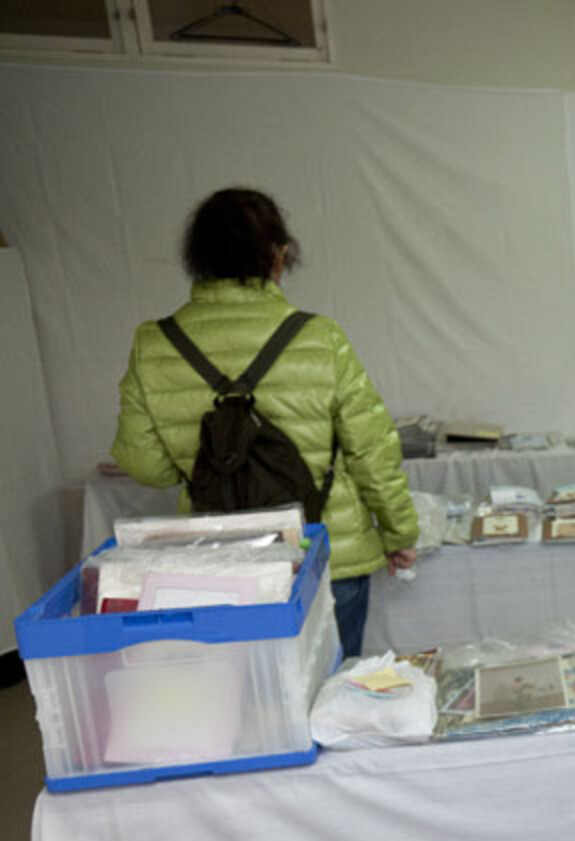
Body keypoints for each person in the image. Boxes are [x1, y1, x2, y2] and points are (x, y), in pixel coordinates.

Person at [112, 187, 419, 659]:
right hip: (326, 554)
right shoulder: (320, 337)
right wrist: (399, 534)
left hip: (221, 562)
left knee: (245, 707)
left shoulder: (153, 344)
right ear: (278, 257)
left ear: (198, 260)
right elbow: (372, 451)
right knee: (335, 701)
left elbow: (147, 467)